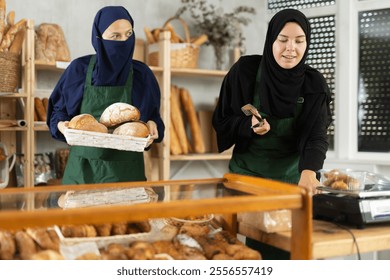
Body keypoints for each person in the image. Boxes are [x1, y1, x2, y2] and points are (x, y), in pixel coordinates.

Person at [212, 9, 332, 259]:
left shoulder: (313, 83)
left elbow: (316, 135)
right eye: (283, 40)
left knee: (290, 250)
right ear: (271, 40)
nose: (291, 48)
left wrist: (309, 172)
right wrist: (248, 126)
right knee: (243, 251)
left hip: (292, 180)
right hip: (248, 180)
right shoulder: (244, 71)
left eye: (299, 41)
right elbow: (221, 121)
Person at [47, 6, 164, 185]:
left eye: (128, 34)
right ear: (99, 38)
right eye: (115, 36)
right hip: (83, 172)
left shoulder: (142, 75)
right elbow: (58, 112)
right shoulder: (79, 70)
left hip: (127, 174)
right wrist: (62, 126)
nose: (124, 41)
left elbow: (153, 117)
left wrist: (153, 124)